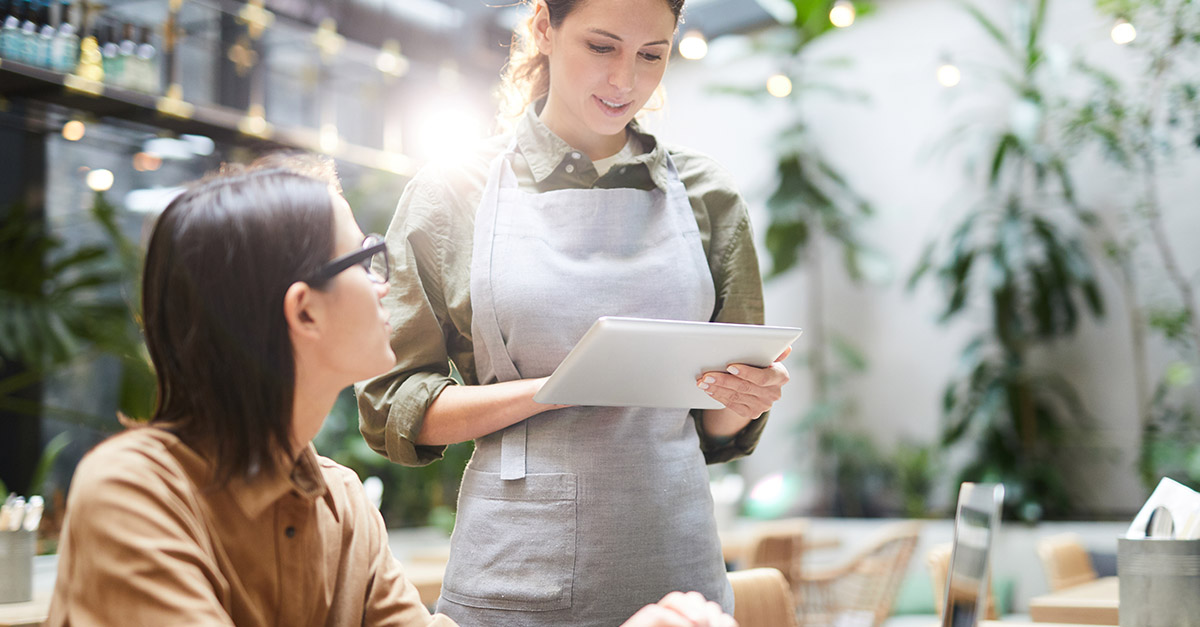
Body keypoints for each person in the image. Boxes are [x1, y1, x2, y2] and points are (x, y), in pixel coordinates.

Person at [44, 155, 736, 627]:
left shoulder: (339, 500)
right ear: (304, 310)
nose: (384, 282)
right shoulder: (134, 492)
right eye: (363, 258)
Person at [357, 0, 791, 624]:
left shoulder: (708, 195)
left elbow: (715, 425)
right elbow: (390, 406)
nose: (626, 81)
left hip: (679, 576)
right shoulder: (452, 193)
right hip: (515, 574)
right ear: (544, 27)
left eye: (651, 55)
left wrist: (746, 394)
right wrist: (557, 390)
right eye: (601, 46)